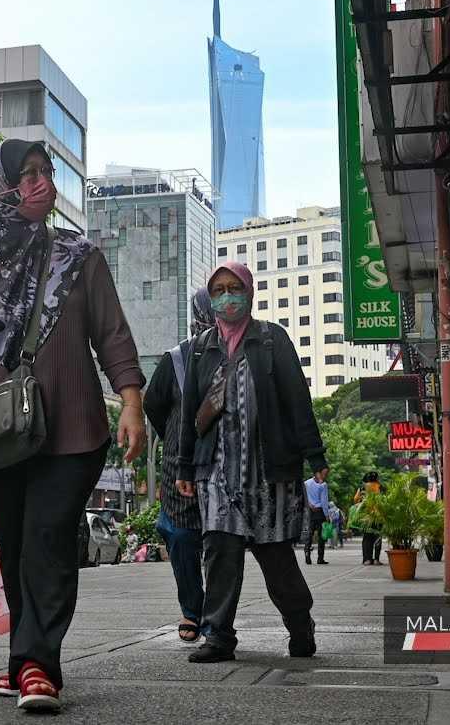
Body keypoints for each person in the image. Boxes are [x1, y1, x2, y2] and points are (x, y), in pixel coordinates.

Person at [0, 140, 146, 712]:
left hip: (73, 428)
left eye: (46, 173)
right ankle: (24, 656)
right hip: (0, 433)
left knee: (47, 540)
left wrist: (132, 401)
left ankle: (39, 664)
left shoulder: (79, 255)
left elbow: (110, 333)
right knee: (12, 547)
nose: (42, 184)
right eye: (27, 175)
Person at [175, 262, 326, 664]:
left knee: (277, 559)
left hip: (269, 473)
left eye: (234, 287)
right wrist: (184, 467)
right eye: (219, 290)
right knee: (220, 554)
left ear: (249, 292)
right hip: (216, 473)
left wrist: (316, 455)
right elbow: (191, 410)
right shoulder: (201, 349)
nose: (227, 296)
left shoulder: (272, 340)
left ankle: (300, 623)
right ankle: (219, 636)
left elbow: (297, 400)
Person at [143, 288, 215, 644]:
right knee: (182, 537)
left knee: (222, 541)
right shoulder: (176, 360)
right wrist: (174, 440)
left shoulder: (247, 352)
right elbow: (153, 406)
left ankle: (217, 616)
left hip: (226, 465)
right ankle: (192, 610)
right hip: (180, 466)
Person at [354, 471, 384, 566]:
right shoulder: (380, 487)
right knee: (377, 537)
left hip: (366, 517)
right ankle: (376, 559)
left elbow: (355, 500)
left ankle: (367, 559)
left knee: (367, 538)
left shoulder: (363, 488)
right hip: (378, 516)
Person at [303, 468, 331, 565]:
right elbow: (324, 501)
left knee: (309, 534)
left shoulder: (306, 483)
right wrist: (327, 515)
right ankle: (320, 558)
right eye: (324, 474)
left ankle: (307, 553)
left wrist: (310, 505)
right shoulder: (323, 485)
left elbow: (304, 497)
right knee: (321, 536)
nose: (325, 476)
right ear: (317, 473)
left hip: (310, 511)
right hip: (320, 512)